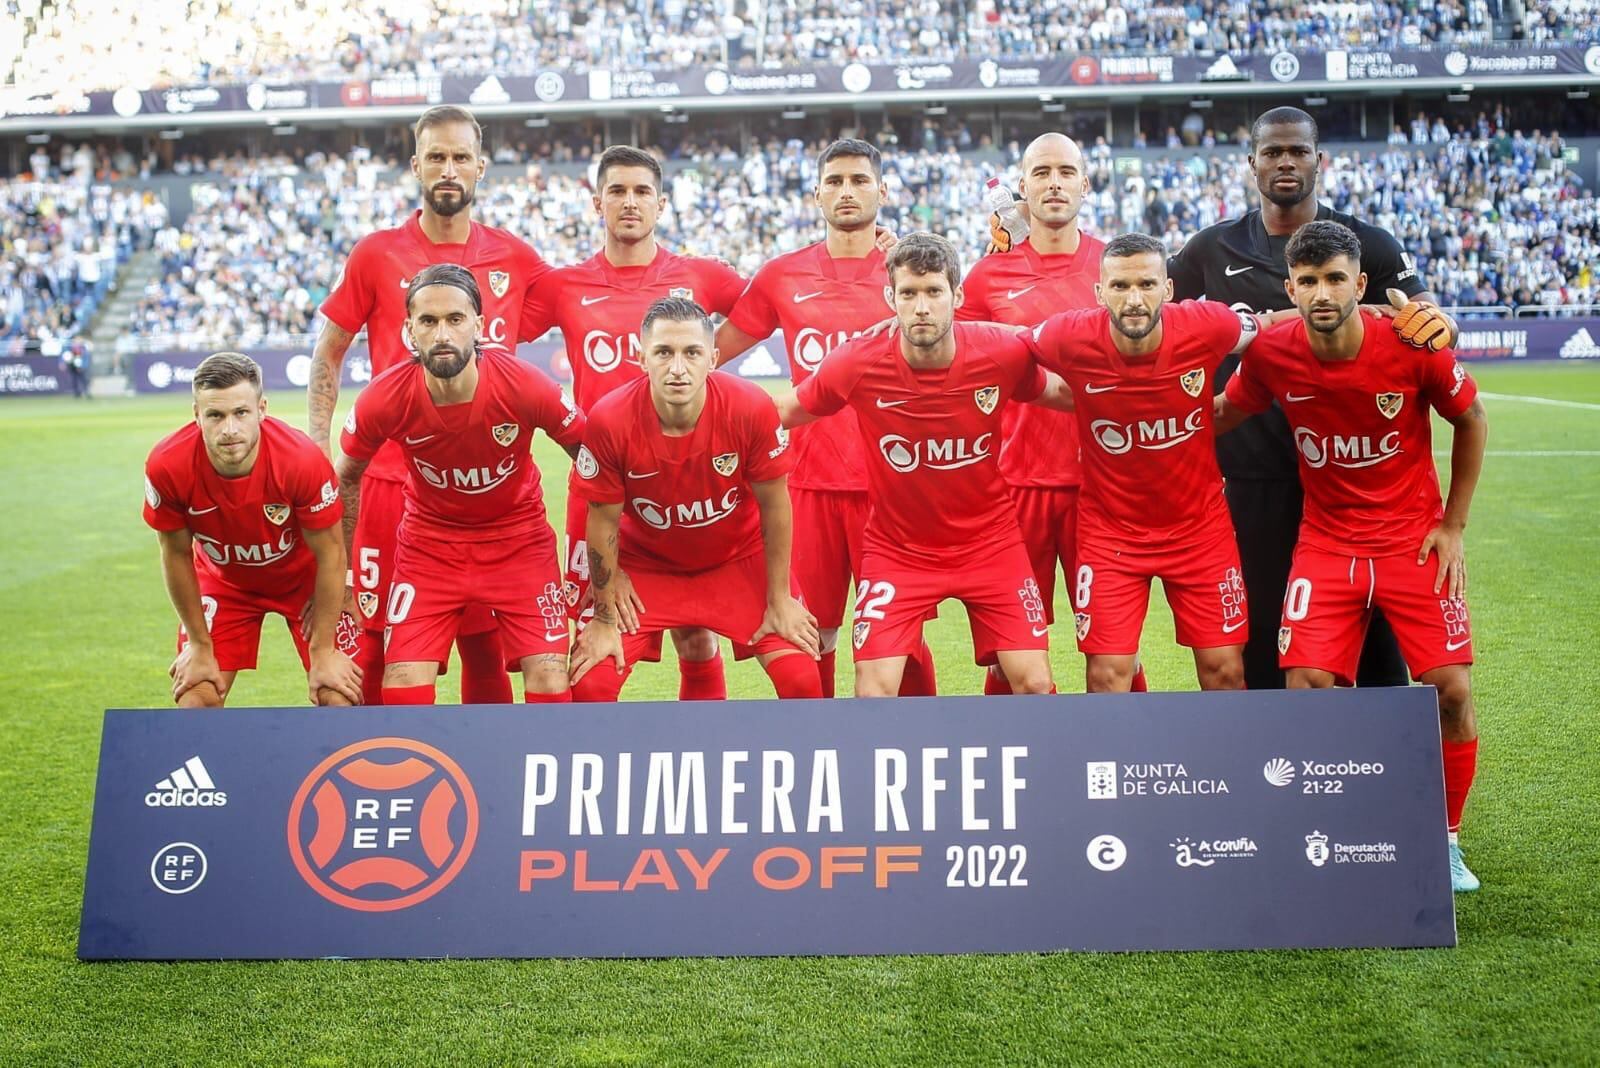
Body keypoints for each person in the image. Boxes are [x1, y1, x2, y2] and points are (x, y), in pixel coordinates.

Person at [1217, 220, 1488, 891]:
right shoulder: (1276, 351)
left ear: (1360, 284)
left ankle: (1446, 839)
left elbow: (1472, 420)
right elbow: (1224, 411)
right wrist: (1149, 419)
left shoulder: (1410, 343)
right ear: (1290, 288)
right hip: (1327, 545)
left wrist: (1453, 525)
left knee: (1449, 691)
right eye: (1307, 281)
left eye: (1335, 278)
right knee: (1306, 690)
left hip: (1411, 541)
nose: (1321, 292)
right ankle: (1328, 824)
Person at [1168, 106, 1457, 691]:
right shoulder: (1210, 249)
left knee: (1376, 651)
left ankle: (1378, 766)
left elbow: (1432, 322)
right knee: (1268, 639)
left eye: (1297, 151)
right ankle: (1274, 768)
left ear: (1318, 161)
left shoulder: (1366, 245)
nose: (1285, 162)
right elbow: (1156, 318)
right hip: (1253, 480)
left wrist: (1429, 322)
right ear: (1252, 164)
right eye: (1272, 152)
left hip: (1353, 490)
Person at [310, 104, 553, 705]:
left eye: (460, 158)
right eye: (437, 157)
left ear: (480, 168)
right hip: (388, 484)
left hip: (482, 491)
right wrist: (319, 447)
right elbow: (328, 354)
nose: (449, 169)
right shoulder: (376, 253)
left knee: (484, 644)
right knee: (369, 640)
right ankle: (372, 772)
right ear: (417, 166)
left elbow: (580, 312)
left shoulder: (516, 260)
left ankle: (484, 779)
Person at [777, 234, 1074, 697]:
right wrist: (702, 414)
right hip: (898, 550)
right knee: (873, 691)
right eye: (909, 293)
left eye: (934, 292)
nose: (921, 307)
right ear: (889, 298)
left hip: (990, 544)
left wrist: (1141, 400)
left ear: (956, 296)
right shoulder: (857, 361)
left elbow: (1061, 394)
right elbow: (786, 411)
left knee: (1034, 682)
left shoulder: (1000, 351)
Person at [519, 145, 746, 701]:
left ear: (661, 203)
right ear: (597, 202)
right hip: (600, 491)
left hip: (687, 485)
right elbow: (494, 328)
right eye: (617, 191)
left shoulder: (701, 276)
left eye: (642, 191)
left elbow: (778, 306)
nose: (629, 202)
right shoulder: (563, 286)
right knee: (594, 643)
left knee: (696, 637)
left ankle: (701, 759)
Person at [716, 138, 938, 699]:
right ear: (816, 194)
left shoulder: (909, 277)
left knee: (899, 636)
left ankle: (919, 748)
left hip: (890, 486)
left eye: (860, 180)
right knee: (810, 632)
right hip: (805, 488)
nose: (847, 191)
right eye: (834, 181)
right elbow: (710, 355)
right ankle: (822, 752)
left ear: (882, 191)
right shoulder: (782, 275)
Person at [334, 265, 585, 705]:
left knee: (549, 679)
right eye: (428, 322)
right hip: (430, 546)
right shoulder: (384, 397)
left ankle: (529, 772)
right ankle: (417, 773)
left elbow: (592, 457)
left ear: (479, 326)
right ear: (409, 330)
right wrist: (345, 577)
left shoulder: (525, 385)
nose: (442, 333)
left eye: (455, 319)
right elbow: (347, 477)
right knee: (402, 685)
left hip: (519, 542)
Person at [1025, 234, 1260, 692]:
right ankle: (1108, 766)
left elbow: (1269, 329)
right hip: (1111, 534)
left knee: (1225, 672)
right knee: (1108, 674)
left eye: (1147, 285)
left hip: (1200, 530)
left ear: (1169, 290)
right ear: (1099, 294)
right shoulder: (1067, 334)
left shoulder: (1207, 323)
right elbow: (1005, 350)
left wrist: (1367, 311)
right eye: (1119, 287)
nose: (1134, 300)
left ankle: (1227, 763)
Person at [959, 132, 1148, 695]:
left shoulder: (1119, 269)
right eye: (1041, 172)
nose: (1055, 182)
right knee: (1009, 659)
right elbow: (957, 368)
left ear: (1086, 184)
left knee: (1117, 659)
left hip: (1105, 486)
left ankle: (1115, 769)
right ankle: (1015, 776)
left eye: (1067, 171)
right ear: (1022, 186)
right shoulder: (987, 275)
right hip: (1015, 488)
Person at [568, 297, 822, 700]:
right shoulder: (610, 418)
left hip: (738, 559)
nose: (678, 368)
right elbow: (602, 520)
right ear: (641, 357)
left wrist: (780, 599)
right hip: (648, 565)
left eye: (692, 353)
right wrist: (601, 616)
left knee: (802, 678)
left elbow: (776, 506)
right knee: (590, 683)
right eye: (664, 353)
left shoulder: (750, 407)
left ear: (713, 358)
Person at [142, 351, 363, 708]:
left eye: (240, 413)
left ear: (261, 409)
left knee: (339, 694)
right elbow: (175, 554)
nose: (229, 429)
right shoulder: (167, 465)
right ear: (197, 415)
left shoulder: (301, 461)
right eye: (215, 415)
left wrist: (323, 650)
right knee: (196, 697)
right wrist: (199, 645)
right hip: (225, 582)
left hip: (304, 581)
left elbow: (332, 554)